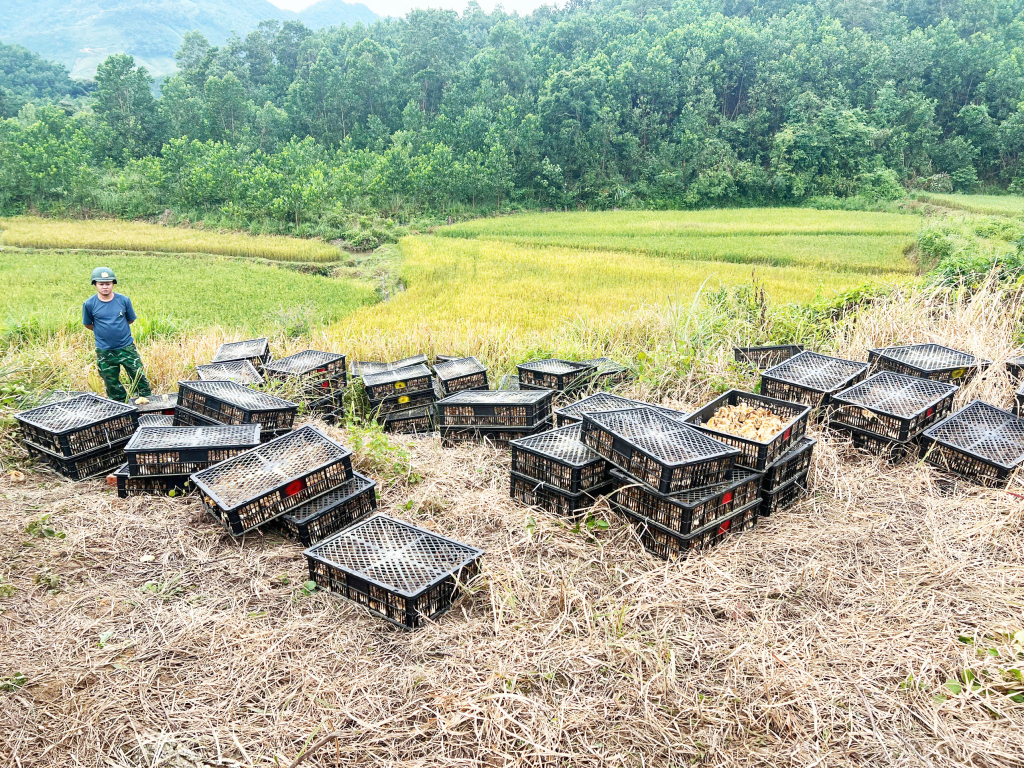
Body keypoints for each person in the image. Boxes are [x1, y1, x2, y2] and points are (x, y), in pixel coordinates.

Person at [82, 267, 153, 403]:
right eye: (101, 284)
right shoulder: (89, 304)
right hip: (105, 350)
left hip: (126, 347)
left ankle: (147, 402)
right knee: (111, 381)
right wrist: (103, 332)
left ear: (113, 284)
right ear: (95, 285)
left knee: (138, 375)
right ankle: (121, 405)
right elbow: (88, 324)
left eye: (108, 283)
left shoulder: (124, 300)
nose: (105, 287)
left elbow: (130, 319)